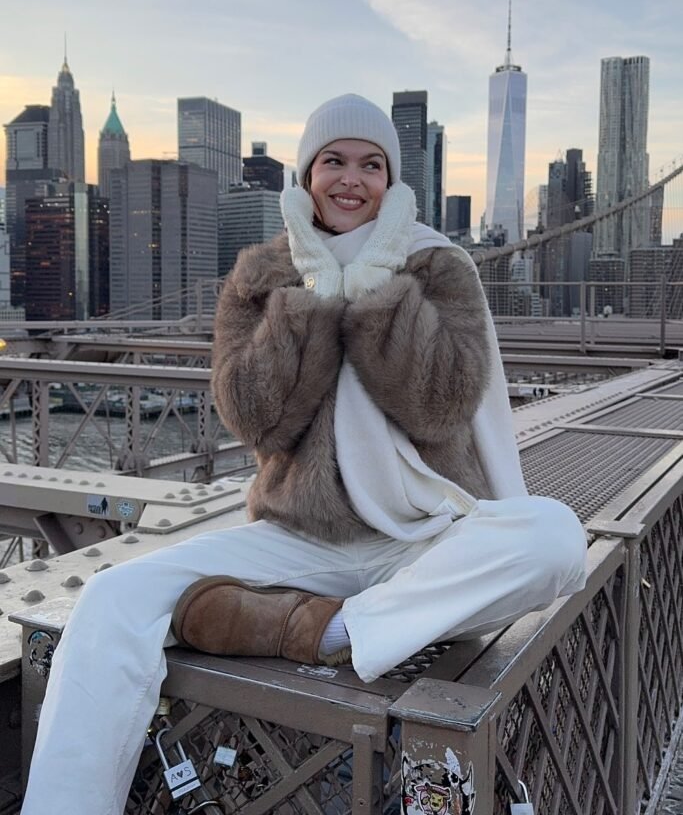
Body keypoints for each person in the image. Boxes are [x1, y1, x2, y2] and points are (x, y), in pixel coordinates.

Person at [22, 93, 587, 815]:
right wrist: (313, 298)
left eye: (370, 164)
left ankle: (329, 629)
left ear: (393, 179)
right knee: (110, 598)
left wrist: (381, 286)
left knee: (554, 536)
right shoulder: (260, 274)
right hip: (299, 538)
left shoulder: (441, 268)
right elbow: (255, 419)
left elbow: (440, 404)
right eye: (334, 161)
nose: (351, 179)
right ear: (305, 173)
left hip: (420, 539)